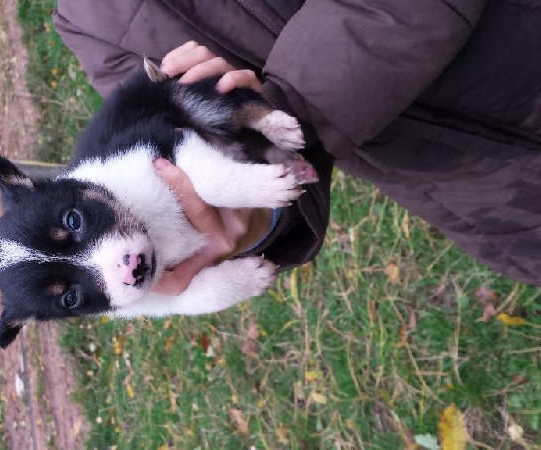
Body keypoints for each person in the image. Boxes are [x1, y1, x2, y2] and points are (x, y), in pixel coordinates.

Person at [52, 0, 541, 292]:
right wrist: (249, 214)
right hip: (494, 205)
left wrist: (287, 102)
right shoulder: (87, 22)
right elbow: (196, 159)